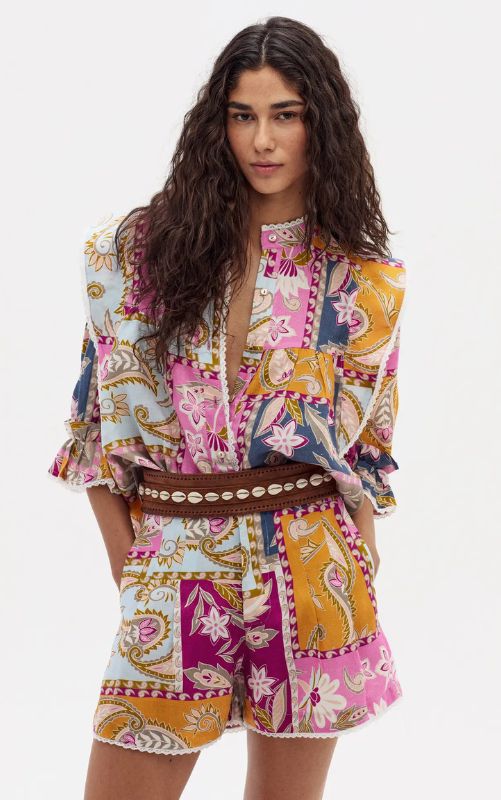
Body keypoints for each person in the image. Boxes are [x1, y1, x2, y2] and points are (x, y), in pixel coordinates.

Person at [47, 15, 407, 800]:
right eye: (242, 115)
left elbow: (366, 450)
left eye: (285, 115)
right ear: (217, 125)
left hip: (311, 569)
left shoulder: (364, 281)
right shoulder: (130, 254)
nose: (262, 140)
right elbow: (95, 429)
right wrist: (131, 565)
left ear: (321, 125)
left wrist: (362, 555)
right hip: (172, 559)